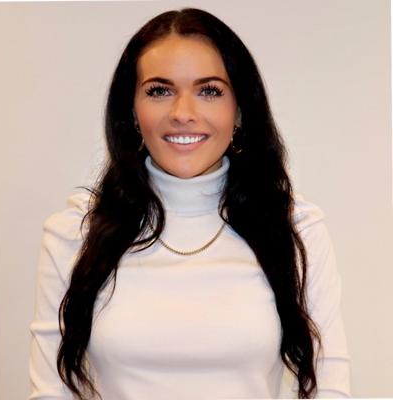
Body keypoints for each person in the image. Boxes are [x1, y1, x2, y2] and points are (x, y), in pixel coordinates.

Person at [29, 7, 351, 400]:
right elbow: (51, 392)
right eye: (159, 91)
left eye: (209, 91)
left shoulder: (296, 228)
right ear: (132, 112)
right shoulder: (74, 231)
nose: (183, 114)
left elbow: (329, 388)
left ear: (239, 111)